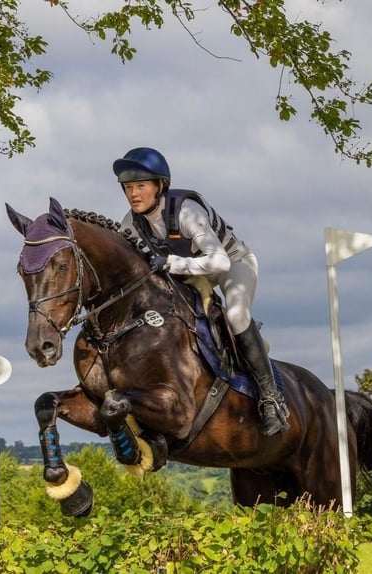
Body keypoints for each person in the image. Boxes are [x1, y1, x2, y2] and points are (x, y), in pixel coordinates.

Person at [113, 147, 289, 436]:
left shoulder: (186, 211)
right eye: (128, 188)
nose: (133, 194)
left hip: (232, 263)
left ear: (160, 186)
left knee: (235, 314)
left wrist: (171, 262)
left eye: (141, 186)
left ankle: (271, 398)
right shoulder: (130, 224)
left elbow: (218, 260)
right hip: (187, 273)